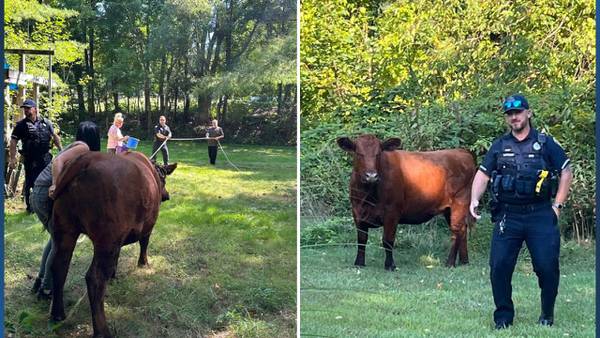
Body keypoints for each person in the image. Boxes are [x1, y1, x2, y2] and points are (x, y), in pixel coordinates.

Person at [469, 94, 573, 329]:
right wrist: (474, 199)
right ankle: (504, 318)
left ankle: (547, 313)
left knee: (547, 266)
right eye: (509, 113)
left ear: (528, 113)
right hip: (508, 215)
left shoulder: (545, 144)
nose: (514, 116)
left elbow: (566, 172)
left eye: (518, 112)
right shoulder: (499, 146)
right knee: (499, 267)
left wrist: (557, 205)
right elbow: (483, 174)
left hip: (540, 215)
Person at [30, 121, 101, 299]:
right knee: (59, 242)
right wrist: (55, 184)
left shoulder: (80, 146)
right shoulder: (83, 147)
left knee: (55, 239)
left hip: (39, 191)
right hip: (42, 193)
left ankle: (40, 281)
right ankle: (46, 289)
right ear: (94, 137)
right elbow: (58, 161)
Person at [8, 99, 62, 213]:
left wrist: (61, 150)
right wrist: (13, 158)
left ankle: (48, 205)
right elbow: (13, 141)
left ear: (35, 109)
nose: (26, 111)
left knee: (48, 181)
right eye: (25, 109)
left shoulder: (46, 122)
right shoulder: (21, 125)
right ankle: (30, 207)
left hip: (45, 157)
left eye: (28, 108)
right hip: (30, 159)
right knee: (30, 183)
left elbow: (54, 136)